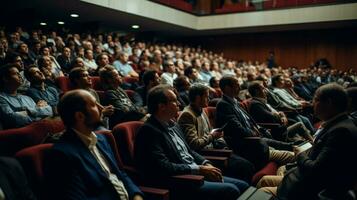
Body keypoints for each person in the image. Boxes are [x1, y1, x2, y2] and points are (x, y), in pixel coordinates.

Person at [135, 85, 249, 200]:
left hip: (195, 172)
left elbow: (189, 151)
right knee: (232, 190)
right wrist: (198, 169)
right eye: (174, 101)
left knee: (244, 186)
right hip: (181, 180)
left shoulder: (173, 125)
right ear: (162, 106)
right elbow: (163, 166)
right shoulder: (148, 131)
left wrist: (205, 163)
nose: (179, 103)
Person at [45, 89, 144, 200]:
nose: (101, 108)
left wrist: (136, 195)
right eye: (94, 105)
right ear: (80, 116)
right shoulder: (62, 154)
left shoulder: (102, 139)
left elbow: (119, 173)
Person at [275, 83, 357, 200]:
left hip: (308, 190)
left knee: (263, 185)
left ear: (328, 103)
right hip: (310, 182)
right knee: (280, 172)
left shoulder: (340, 131)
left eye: (316, 100)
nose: (313, 104)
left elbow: (315, 171)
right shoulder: (342, 123)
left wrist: (300, 155)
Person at [178, 84, 255, 183]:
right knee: (245, 167)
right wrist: (212, 136)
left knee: (248, 161)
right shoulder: (187, 114)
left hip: (215, 148)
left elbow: (210, 132)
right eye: (206, 96)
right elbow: (194, 144)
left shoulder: (201, 110)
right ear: (198, 98)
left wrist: (218, 138)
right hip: (205, 155)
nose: (209, 98)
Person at [215, 76, 295, 170]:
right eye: (237, 86)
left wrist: (260, 129)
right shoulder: (223, 105)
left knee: (289, 146)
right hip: (248, 143)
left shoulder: (235, 102)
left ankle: (299, 147)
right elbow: (237, 128)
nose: (240, 88)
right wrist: (253, 133)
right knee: (291, 155)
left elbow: (249, 121)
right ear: (228, 88)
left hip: (257, 138)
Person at [248, 81, 313, 143]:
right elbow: (272, 117)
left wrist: (282, 115)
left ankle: (309, 143)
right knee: (300, 125)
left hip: (281, 126)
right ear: (257, 91)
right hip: (276, 131)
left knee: (299, 137)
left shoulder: (262, 101)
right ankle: (313, 143)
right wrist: (280, 116)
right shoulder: (256, 104)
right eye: (263, 88)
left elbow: (278, 112)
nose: (266, 90)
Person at [0, 64, 53, 129]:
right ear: (5, 79)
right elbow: (12, 119)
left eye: (19, 73)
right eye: (15, 74)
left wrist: (28, 112)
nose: (20, 76)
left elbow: (49, 110)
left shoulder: (27, 98)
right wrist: (37, 112)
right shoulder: (2, 98)